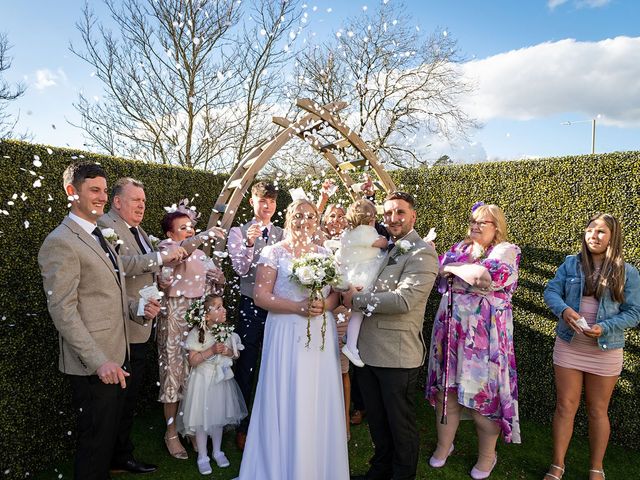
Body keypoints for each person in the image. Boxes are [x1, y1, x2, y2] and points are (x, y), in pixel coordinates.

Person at [38, 162, 161, 480]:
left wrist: (137, 309)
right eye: (94, 190)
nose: (102, 197)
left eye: (105, 191)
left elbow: (111, 292)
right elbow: (63, 311)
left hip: (118, 354)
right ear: (71, 192)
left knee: (105, 445)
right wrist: (98, 362)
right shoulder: (60, 242)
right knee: (94, 450)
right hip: (95, 364)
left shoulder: (99, 235)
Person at [236, 199, 349, 480]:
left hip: (319, 333)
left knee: (316, 393)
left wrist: (324, 305)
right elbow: (261, 296)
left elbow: (337, 295)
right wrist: (298, 307)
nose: (304, 221)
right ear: (288, 219)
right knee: (286, 390)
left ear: (316, 221)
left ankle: (318, 466)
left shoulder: (325, 253)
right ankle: (280, 465)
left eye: (310, 217)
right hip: (285, 330)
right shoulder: (273, 252)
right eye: (298, 216)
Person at [343, 191, 439, 480]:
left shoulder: (422, 252)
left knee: (401, 427)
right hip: (368, 352)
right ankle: (379, 471)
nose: (393, 218)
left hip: (397, 355)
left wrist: (356, 301)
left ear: (413, 216)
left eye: (399, 212)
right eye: (387, 213)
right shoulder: (388, 247)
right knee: (379, 424)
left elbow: (403, 300)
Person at [425, 203, 521, 480]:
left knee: (484, 399)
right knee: (447, 392)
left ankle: (487, 457)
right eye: (473, 221)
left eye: (483, 223)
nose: (475, 226)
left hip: (484, 342)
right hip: (450, 334)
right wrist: (457, 267)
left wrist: (452, 268)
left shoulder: (506, 250)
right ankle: (445, 446)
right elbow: (438, 278)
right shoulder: (461, 248)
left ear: (497, 228)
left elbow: (483, 278)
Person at [543, 213, 640, 480]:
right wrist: (564, 312)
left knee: (598, 409)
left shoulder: (627, 272)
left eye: (600, 232)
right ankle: (557, 465)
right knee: (565, 405)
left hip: (605, 349)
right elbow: (551, 291)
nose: (593, 236)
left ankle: (596, 469)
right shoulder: (571, 264)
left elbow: (634, 312)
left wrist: (605, 327)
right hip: (569, 344)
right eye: (590, 230)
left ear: (612, 237)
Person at [98, 177, 183, 474]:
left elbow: (144, 268)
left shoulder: (139, 230)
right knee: (118, 400)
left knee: (129, 398)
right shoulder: (106, 227)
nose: (142, 206)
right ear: (118, 202)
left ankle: (120, 455)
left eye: (144, 202)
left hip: (142, 322)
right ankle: (112, 458)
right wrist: (160, 257)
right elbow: (124, 264)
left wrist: (160, 277)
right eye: (136, 200)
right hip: (121, 326)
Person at [157, 207, 226, 459]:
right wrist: (201, 236)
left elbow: (214, 288)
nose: (189, 230)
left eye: (191, 226)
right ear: (170, 233)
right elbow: (177, 256)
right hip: (175, 315)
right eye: (183, 227)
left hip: (197, 317)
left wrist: (219, 277)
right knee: (174, 374)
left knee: (195, 374)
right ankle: (171, 432)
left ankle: (190, 428)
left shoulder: (200, 254)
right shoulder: (166, 248)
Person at [227, 181, 283, 450]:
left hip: (277, 306)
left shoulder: (283, 233)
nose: (267, 206)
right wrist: (249, 242)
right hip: (250, 305)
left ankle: (271, 422)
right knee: (246, 365)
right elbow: (239, 269)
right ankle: (242, 425)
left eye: (271, 201)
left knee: (273, 364)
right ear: (252, 202)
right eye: (262, 200)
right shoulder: (238, 232)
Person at [178, 294, 247, 475]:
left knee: (217, 419)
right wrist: (210, 351)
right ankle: (203, 455)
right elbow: (193, 361)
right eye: (218, 307)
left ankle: (217, 451)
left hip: (221, 383)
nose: (223, 310)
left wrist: (227, 351)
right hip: (202, 382)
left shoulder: (228, 331)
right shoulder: (197, 334)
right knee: (201, 420)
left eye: (223, 306)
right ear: (206, 316)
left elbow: (236, 355)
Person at [337, 199, 387, 367]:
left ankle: (349, 337)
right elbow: (381, 243)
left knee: (357, 311)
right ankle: (351, 346)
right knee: (360, 311)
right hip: (364, 275)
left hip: (350, 274)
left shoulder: (348, 233)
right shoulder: (366, 231)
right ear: (370, 219)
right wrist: (387, 242)